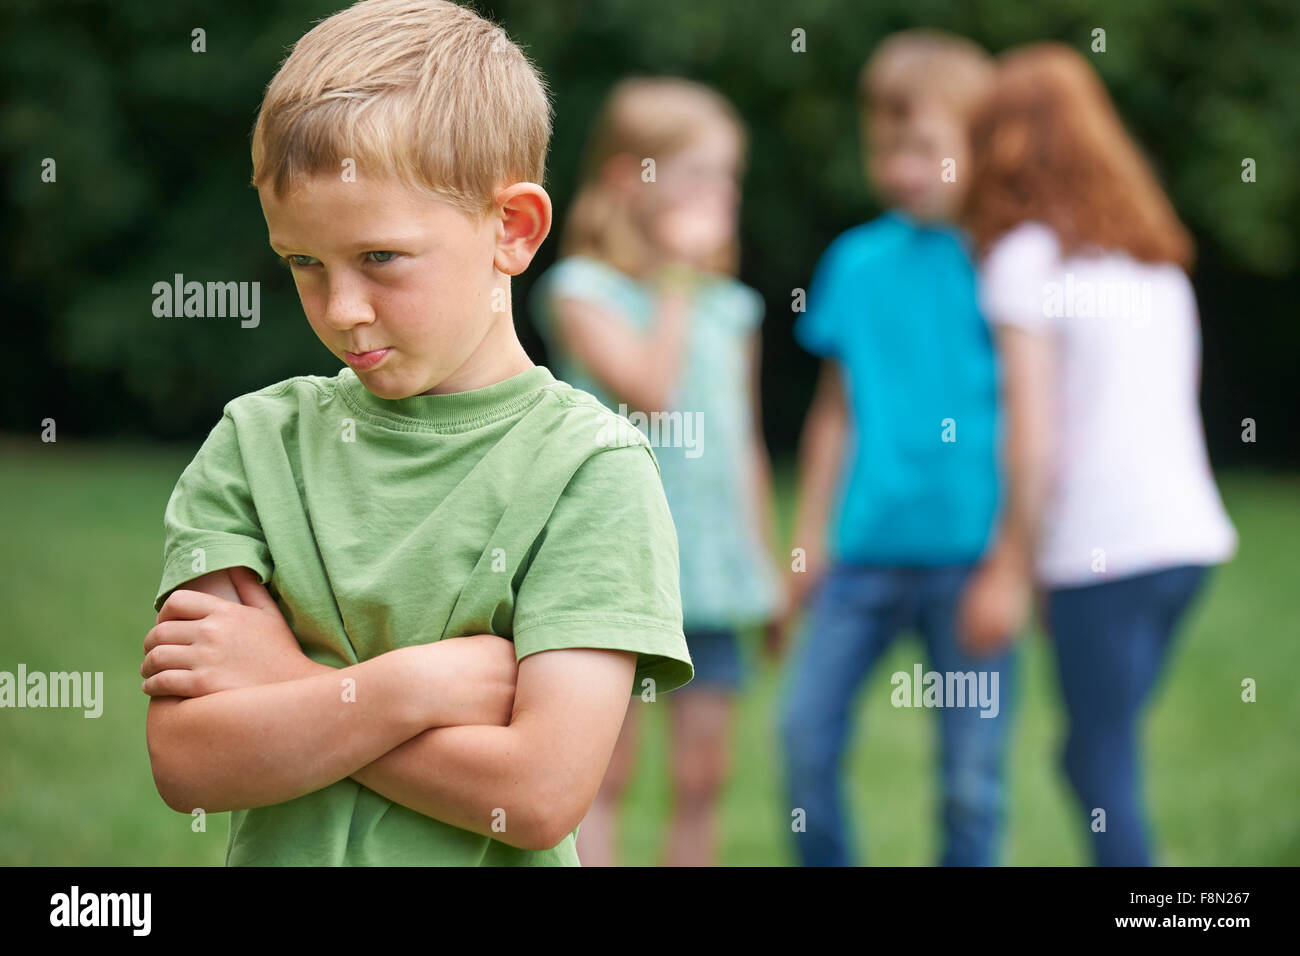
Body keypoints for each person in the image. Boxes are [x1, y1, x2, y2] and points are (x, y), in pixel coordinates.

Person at [141, 0, 693, 866]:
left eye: (381, 259)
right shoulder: (254, 446)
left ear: (513, 229)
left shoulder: (592, 470)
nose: (343, 309)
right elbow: (188, 760)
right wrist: (413, 690)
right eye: (304, 264)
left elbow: (537, 795)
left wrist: (286, 686)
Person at [960, 42, 1237, 866]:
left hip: (1103, 551)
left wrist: (1010, 569)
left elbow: (1035, 435)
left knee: (1100, 758)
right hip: (1188, 544)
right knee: (1094, 750)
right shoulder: (1157, 264)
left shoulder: (1023, 262)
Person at [530, 77, 782, 867]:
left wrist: (765, 566)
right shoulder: (581, 293)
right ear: (623, 180)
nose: (721, 197)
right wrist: (675, 277)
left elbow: (743, 443)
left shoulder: (731, 309)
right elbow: (653, 392)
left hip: (710, 575)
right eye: (697, 177)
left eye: (729, 178)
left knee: (702, 777)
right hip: (616, 572)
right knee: (604, 774)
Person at [779, 30, 1015, 866]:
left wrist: (1020, 561)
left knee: (971, 777)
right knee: (803, 738)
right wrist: (807, 538)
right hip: (864, 553)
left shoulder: (1009, 264)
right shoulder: (856, 261)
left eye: (923, 147)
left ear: (979, 143)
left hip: (974, 557)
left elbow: (1039, 412)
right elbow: (834, 414)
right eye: (885, 148)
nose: (901, 168)